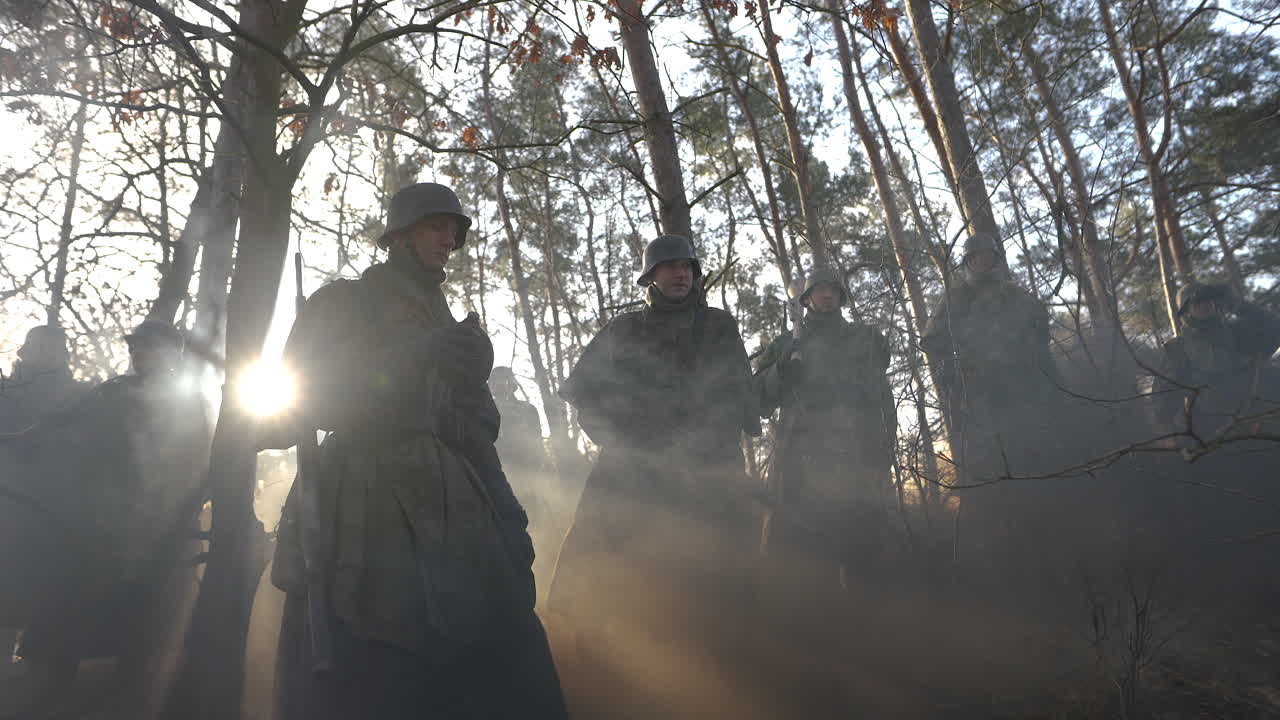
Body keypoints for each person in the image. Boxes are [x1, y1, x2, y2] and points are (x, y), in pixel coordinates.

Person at [271, 182, 566, 720]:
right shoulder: (345, 303)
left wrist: (471, 378)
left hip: (452, 507)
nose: (449, 239)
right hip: (363, 505)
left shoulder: (444, 322)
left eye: (453, 231)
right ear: (401, 237)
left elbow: (474, 432)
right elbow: (313, 400)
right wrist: (417, 357)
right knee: (379, 660)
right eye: (436, 226)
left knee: (506, 647)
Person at [550, 234, 760, 718]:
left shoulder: (720, 326)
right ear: (651, 278)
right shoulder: (625, 330)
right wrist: (621, 442)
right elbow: (582, 391)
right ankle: (590, 665)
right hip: (635, 466)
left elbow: (742, 391)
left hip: (707, 467)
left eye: (685, 266)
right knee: (599, 557)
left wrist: (738, 424)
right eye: (668, 268)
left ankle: (719, 673)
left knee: (719, 573)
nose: (679, 274)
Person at [754, 266, 895, 585]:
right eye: (819, 290)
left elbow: (882, 398)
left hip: (857, 460)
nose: (827, 294)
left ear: (841, 296)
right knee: (799, 560)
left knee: (864, 554)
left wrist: (883, 452)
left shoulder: (865, 338)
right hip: (799, 465)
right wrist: (782, 368)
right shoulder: (787, 343)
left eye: (833, 289)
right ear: (806, 299)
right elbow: (759, 400)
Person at [921, 233, 1057, 483]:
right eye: (977, 257)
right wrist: (950, 370)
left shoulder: (1016, 295)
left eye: (988, 256)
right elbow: (931, 340)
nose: (983, 261)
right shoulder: (956, 297)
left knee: (1033, 447)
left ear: (996, 260)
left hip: (1021, 384)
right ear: (968, 262)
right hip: (977, 389)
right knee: (989, 454)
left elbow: (1041, 334)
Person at [1152, 281, 1280, 442]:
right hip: (1210, 427)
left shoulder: (1237, 333)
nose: (1205, 305)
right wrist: (1166, 431)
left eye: (1208, 299)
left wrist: (1235, 304)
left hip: (1255, 416)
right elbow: (1165, 393)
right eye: (1197, 302)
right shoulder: (1179, 348)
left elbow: (1275, 328)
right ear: (1186, 310)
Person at [488, 366, 558, 594]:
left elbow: (536, 445)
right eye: (497, 382)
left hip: (525, 480)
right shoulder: (486, 409)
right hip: (496, 479)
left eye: (505, 381)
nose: (501, 387)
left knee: (532, 530)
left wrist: (541, 475)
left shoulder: (527, 411)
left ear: (513, 383)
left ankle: (538, 581)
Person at [0, 325, 85, 433]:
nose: (43, 354)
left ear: (63, 355)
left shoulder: (81, 395)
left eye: (50, 349)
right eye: (37, 347)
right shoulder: (4, 392)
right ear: (23, 353)